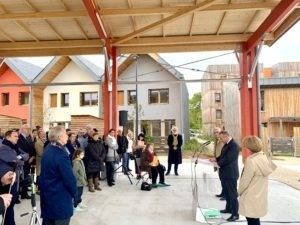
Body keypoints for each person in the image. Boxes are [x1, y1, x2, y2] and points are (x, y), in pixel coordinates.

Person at [39, 126, 77, 225]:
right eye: (65, 134)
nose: (67, 137)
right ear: (59, 136)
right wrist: (75, 194)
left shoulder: (48, 148)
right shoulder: (60, 154)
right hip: (60, 199)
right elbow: (68, 178)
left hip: (48, 198)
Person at [238, 135, 277, 225]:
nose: (245, 148)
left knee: (251, 220)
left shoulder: (251, 161)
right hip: (260, 194)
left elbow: (245, 181)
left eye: (246, 146)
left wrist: (238, 192)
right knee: (255, 219)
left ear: (250, 147)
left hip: (250, 195)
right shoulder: (264, 157)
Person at [210, 130, 240, 222]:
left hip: (231, 174)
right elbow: (223, 156)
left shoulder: (234, 145)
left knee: (232, 194)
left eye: (221, 138)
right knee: (227, 193)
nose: (221, 140)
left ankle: (235, 214)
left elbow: (228, 159)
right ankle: (229, 208)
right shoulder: (227, 144)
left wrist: (218, 163)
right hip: (225, 173)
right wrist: (215, 159)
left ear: (227, 136)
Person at [213, 127, 225, 200]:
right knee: (221, 179)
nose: (215, 134)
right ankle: (223, 192)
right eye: (214, 132)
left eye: (217, 132)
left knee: (224, 179)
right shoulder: (216, 140)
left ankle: (226, 194)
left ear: (221, 133)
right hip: (217, 162)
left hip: (222, 162)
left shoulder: (223, 140)